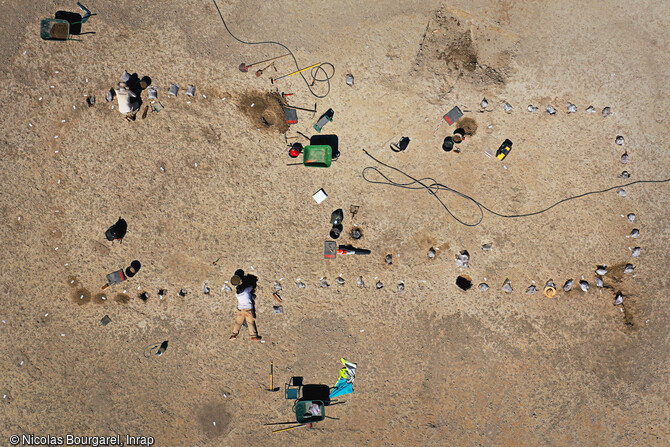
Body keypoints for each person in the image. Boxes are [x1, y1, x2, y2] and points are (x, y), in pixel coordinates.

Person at [229, 270, 261, 341]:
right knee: (250, 322)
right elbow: (252, 287)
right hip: (248, 310)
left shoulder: (237, 294)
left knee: (238, 323)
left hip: (241, 310)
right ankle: (253, 335)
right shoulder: (247, 290)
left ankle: (234, 334)